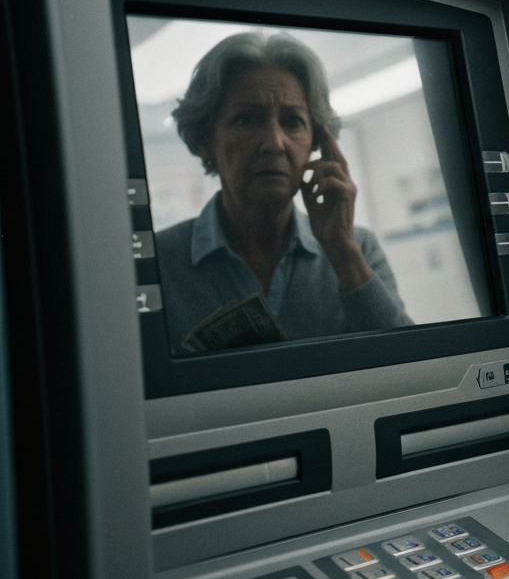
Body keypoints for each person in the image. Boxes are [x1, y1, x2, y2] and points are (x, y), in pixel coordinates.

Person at [155, 31, 412, 353]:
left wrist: (343, 253)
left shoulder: (359, 249)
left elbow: (407, 362)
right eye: (247, 119)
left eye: (293, 121)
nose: (274, 144)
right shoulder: (158, 262)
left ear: (317, 143)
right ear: (206, 141)